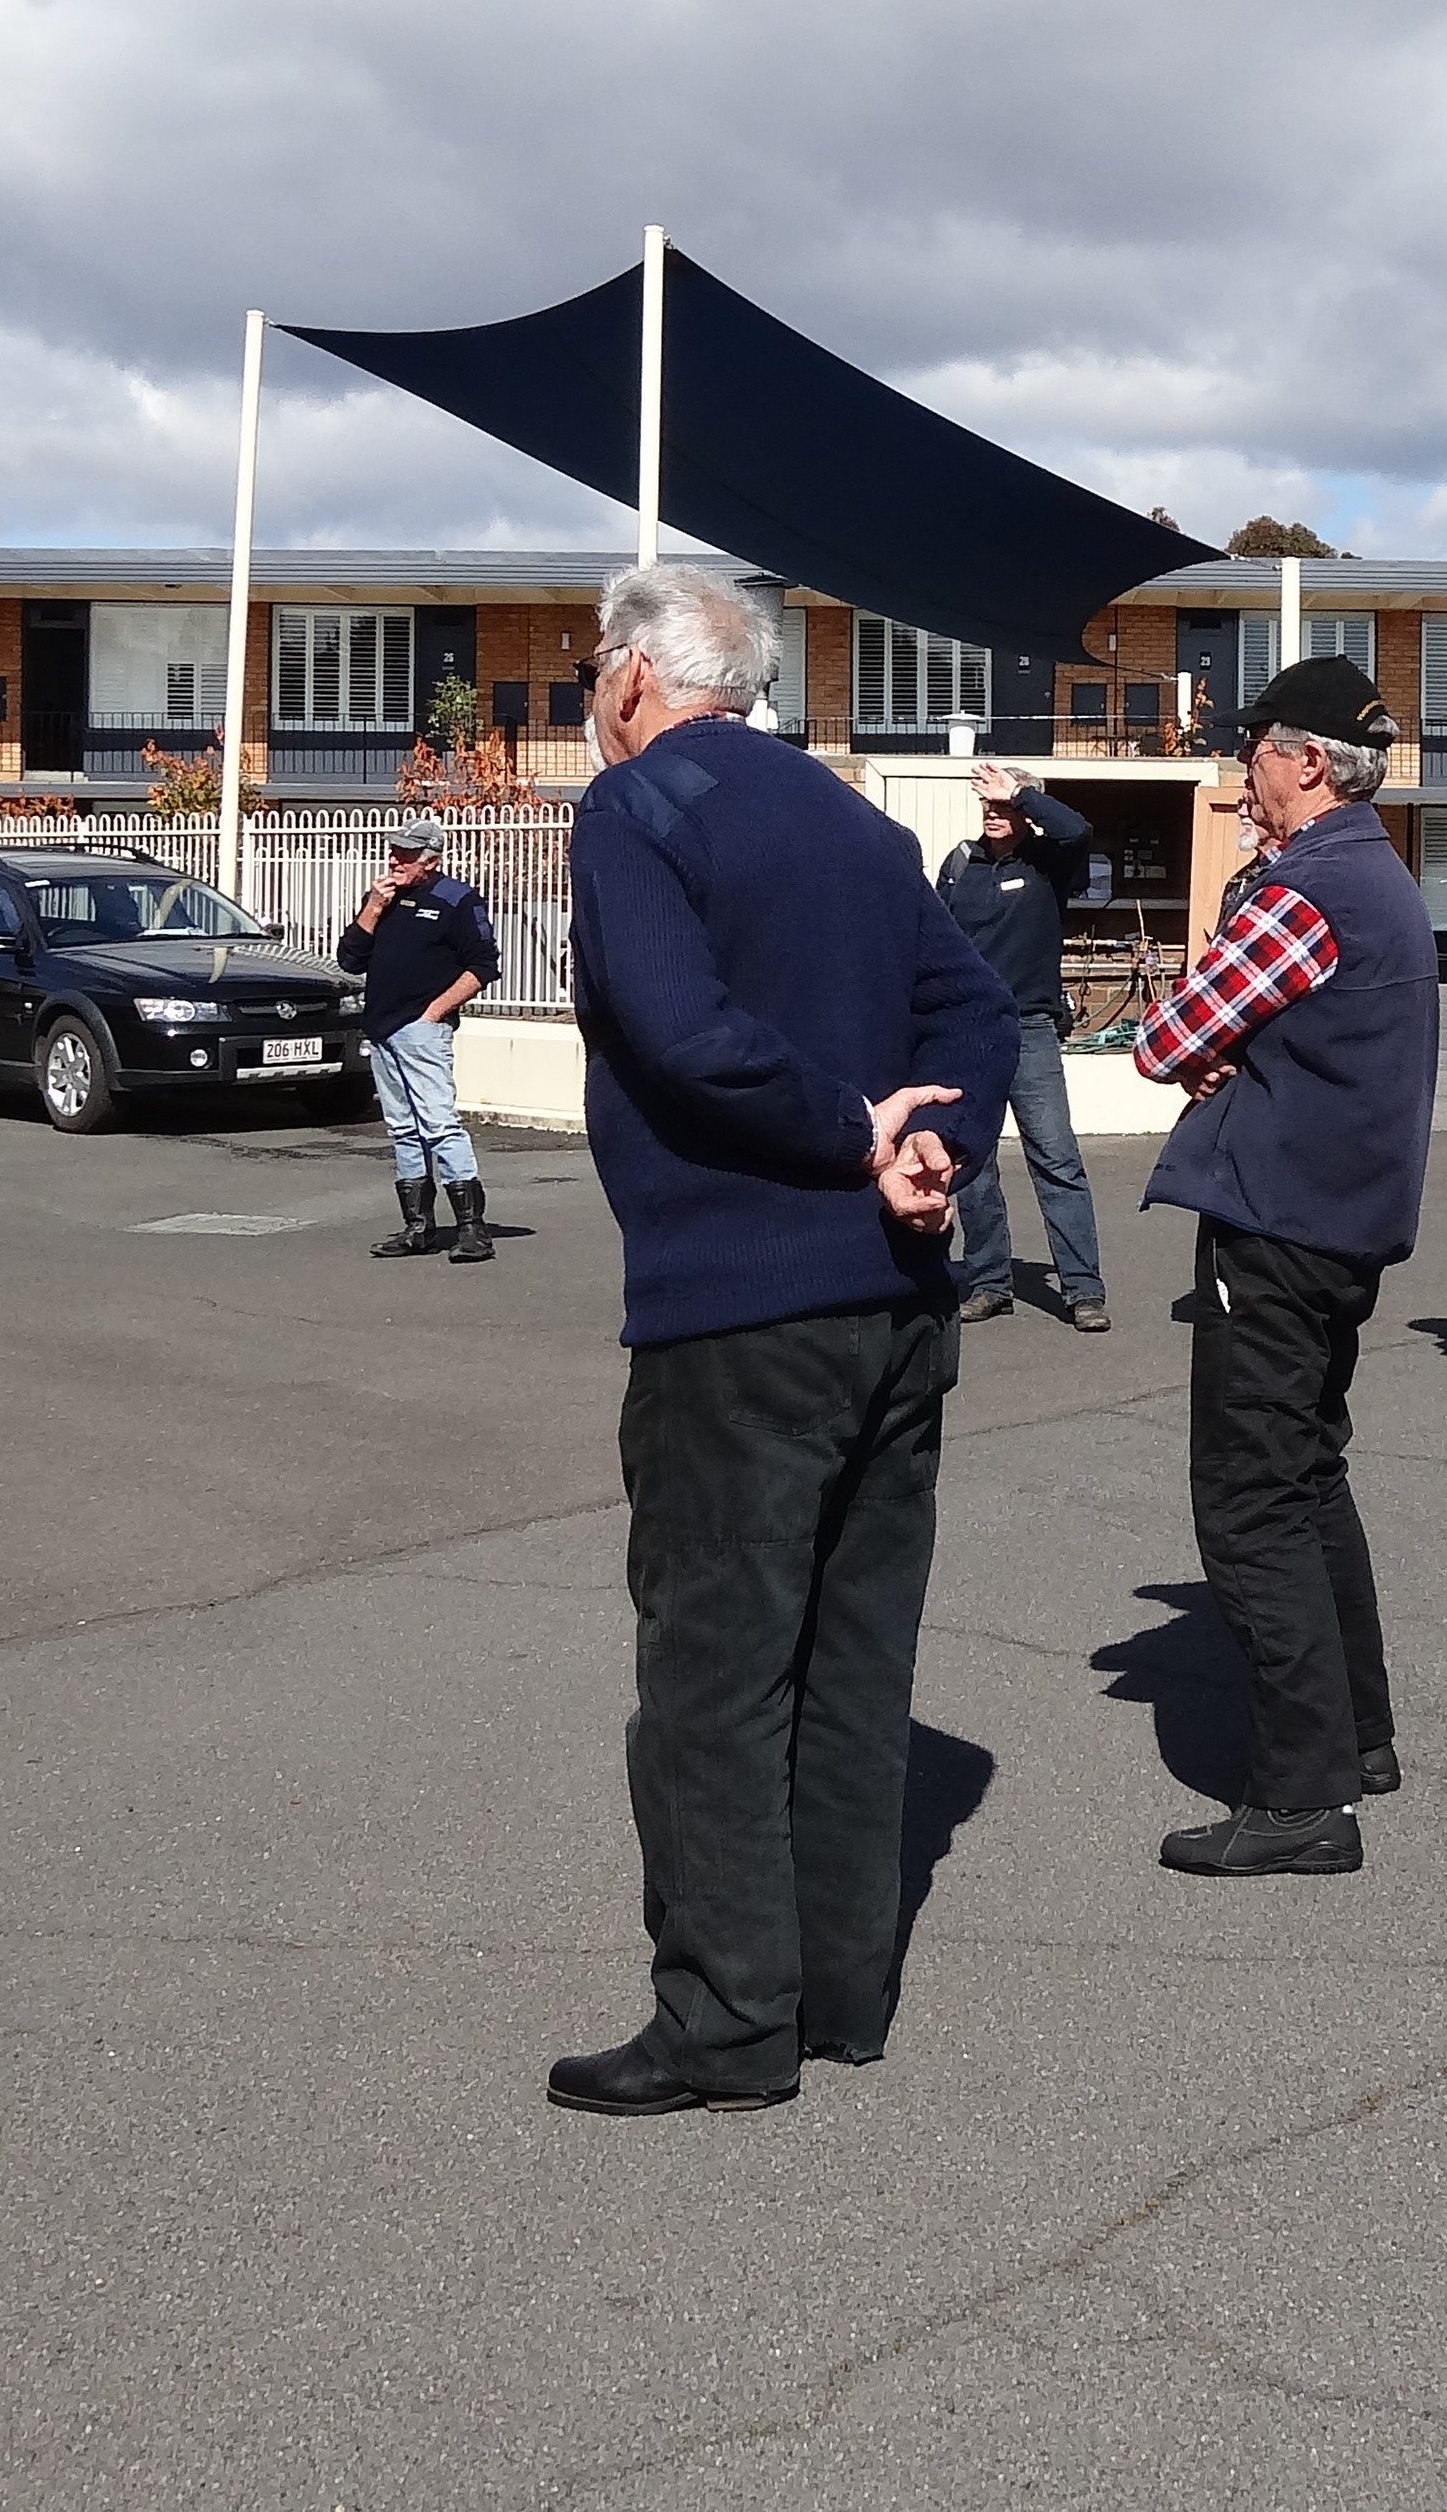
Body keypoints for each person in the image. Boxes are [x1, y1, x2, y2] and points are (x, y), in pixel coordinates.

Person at [547, 565, 1018, 2118]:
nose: (592, 696)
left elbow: (681, 1032)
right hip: (896, 1305)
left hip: (738, 1307)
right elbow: (976, 1011)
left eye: (591, 670)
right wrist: (933, 1139)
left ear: (633, 676)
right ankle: (836, 1993)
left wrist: (854, 1129)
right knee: (854, 1662)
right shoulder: (857, 823)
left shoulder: (637, 812)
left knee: (717, 1671)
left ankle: (728, 2020)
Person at [1133, 657, 1441, 1876]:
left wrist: (1216, 1042)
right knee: (1308, 1478)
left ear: (1307, 760)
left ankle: (1304, 1798)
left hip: (1279, 1221)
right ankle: (1356, 1738)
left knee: (1251, 1497)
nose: (1241, 772)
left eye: (1252, 749)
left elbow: (1168, 1034)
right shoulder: (1372, 872)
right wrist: (1234, 1041)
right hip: (1337, 1219)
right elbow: (1230, 1028)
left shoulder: (1310, 884)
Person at [937, 761, 1110, 1331]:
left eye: (1003, 805)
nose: (993, 814)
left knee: (1056, 1159)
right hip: (970, 1032)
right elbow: (936, 940)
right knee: (974, 1164)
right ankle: (989, 1283)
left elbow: (1076, 829)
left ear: (1023, 808)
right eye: (986, 805)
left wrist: (1021, 793)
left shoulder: (1047, 861)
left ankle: (1083, 1290)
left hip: (1030, 1029)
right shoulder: (961, 865)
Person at [339, 813, 504, 1263]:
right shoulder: (382, 898)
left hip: (421, 1031)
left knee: (438, 1125)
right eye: (393, 851)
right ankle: (418, 1227)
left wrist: (434, 1013)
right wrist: (374, 907)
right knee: (403, 1129)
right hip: (382, 1029)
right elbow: (350, 959)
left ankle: (472, 1229)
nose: (395, 860)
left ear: (431, 860)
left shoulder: (457, 900)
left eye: (406, 854)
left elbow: (483, 966)